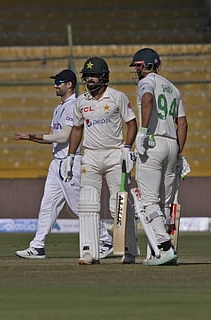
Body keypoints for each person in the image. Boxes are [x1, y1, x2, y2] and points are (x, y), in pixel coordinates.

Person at [13, 69, 114, 259]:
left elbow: (64, 136)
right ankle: (37, 245)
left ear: (69, 84)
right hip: (56, 163)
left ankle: (105, 240)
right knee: (47, 205)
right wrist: (30, 138)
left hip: (70, 161)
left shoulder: (72, 105)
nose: (55, 85)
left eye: (59, 82)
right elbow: (53, 137)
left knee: (78, 207)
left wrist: (32, 136)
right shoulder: (59, 107)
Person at [61, 57, 138, 265]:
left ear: (104, 77)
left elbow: (132, 124)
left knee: (118, 204)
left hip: (114, 154)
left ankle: (128, 248)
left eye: (94, 76)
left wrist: (126, 148)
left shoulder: (117, 97)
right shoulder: (81, 101)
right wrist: (70, 155)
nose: (90, 79)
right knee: (87, 203)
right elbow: (77, 129)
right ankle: (89, 251)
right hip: (91, 156)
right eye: (87, 76)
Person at [129, 48, 188, 266]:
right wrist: (179, 152)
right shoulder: (173, 88)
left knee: (148, 200)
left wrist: (143, 132)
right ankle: (158, 250)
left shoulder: (146, 82)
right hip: (172, 143)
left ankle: (164, 247)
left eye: (137, 66)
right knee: (163, 201)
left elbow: (147, 100)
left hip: (153, 142)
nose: (136, 70)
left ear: (145, 65)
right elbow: (182, 123)